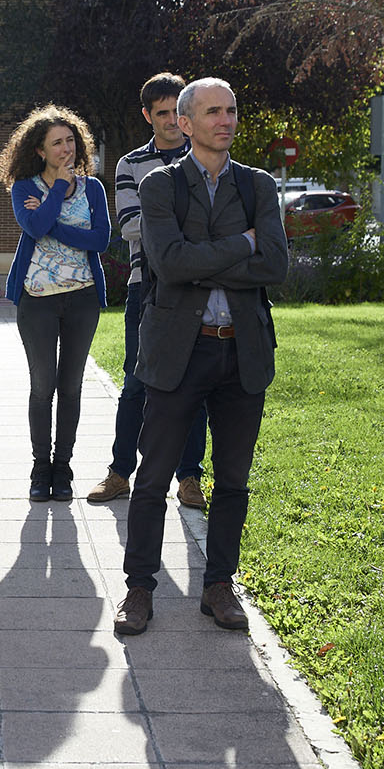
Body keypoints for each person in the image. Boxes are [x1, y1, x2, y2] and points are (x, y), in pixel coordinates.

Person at [112, 78, 288, 636]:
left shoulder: (258, 186)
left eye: (232, 110)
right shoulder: (161, 185)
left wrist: (204, 258)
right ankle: (139, 589)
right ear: (185, 123)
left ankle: (218, 586)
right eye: (213, 111)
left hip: (243, 350)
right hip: (177, 354)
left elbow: (275, 267)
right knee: (154, 475)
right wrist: (242, 244)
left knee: (232, 480)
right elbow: (168, 262)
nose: (226, 120)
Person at [88, 73, 210, 511]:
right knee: (137, 383)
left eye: (177, 111)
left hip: (198, 289)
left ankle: (190, 478)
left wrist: (175, 227)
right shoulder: (130, 164)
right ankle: (121, 472)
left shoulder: (206, 156)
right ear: (148, 115)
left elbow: (218, 223)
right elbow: (131, 227)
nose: (172, 121)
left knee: (193, 384)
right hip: (147, 287)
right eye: (162, 113)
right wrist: (189, 227)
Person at [0, 105, 112, 502]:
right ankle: (39, 467)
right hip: (38, 301)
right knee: (42, 385)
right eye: (56, 143)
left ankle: (63, 467)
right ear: (40, 151)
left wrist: (55, 221)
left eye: (70, 140)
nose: (66, 148)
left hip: (82, 299)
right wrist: (59, 192)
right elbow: (34, 228)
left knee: (72, 386)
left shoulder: (93, 188)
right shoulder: (25, 188)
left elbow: (100, 241)